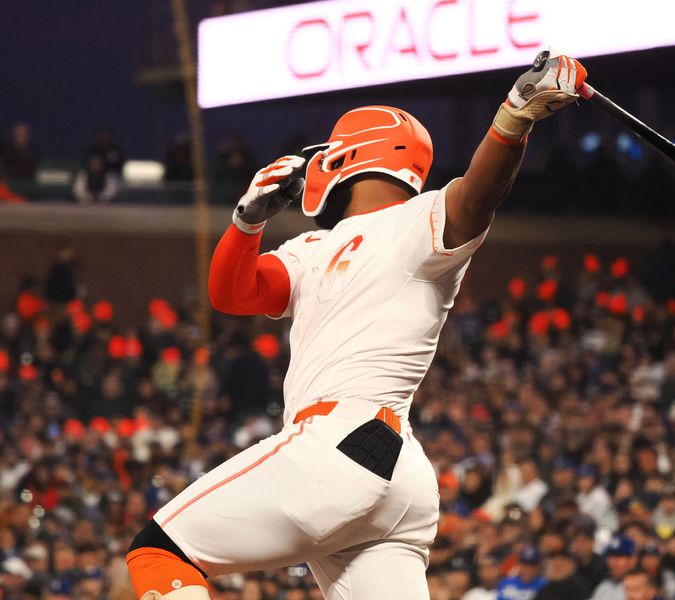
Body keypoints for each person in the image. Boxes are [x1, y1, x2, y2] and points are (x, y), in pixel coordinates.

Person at [124, 48, 587, 600]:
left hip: (339, 442)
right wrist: (246, 223)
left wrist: (514, 115)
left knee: (159, 552)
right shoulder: (312, 246)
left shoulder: (418, 219)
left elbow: (478, 196)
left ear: (350, 156)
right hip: (395, 473)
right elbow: (231, 294)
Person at [590, 536, 638, 600]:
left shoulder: (640, 587)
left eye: (618, 556)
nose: (613, 562)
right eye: (610, 556)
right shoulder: (604, 586)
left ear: (632, 560)